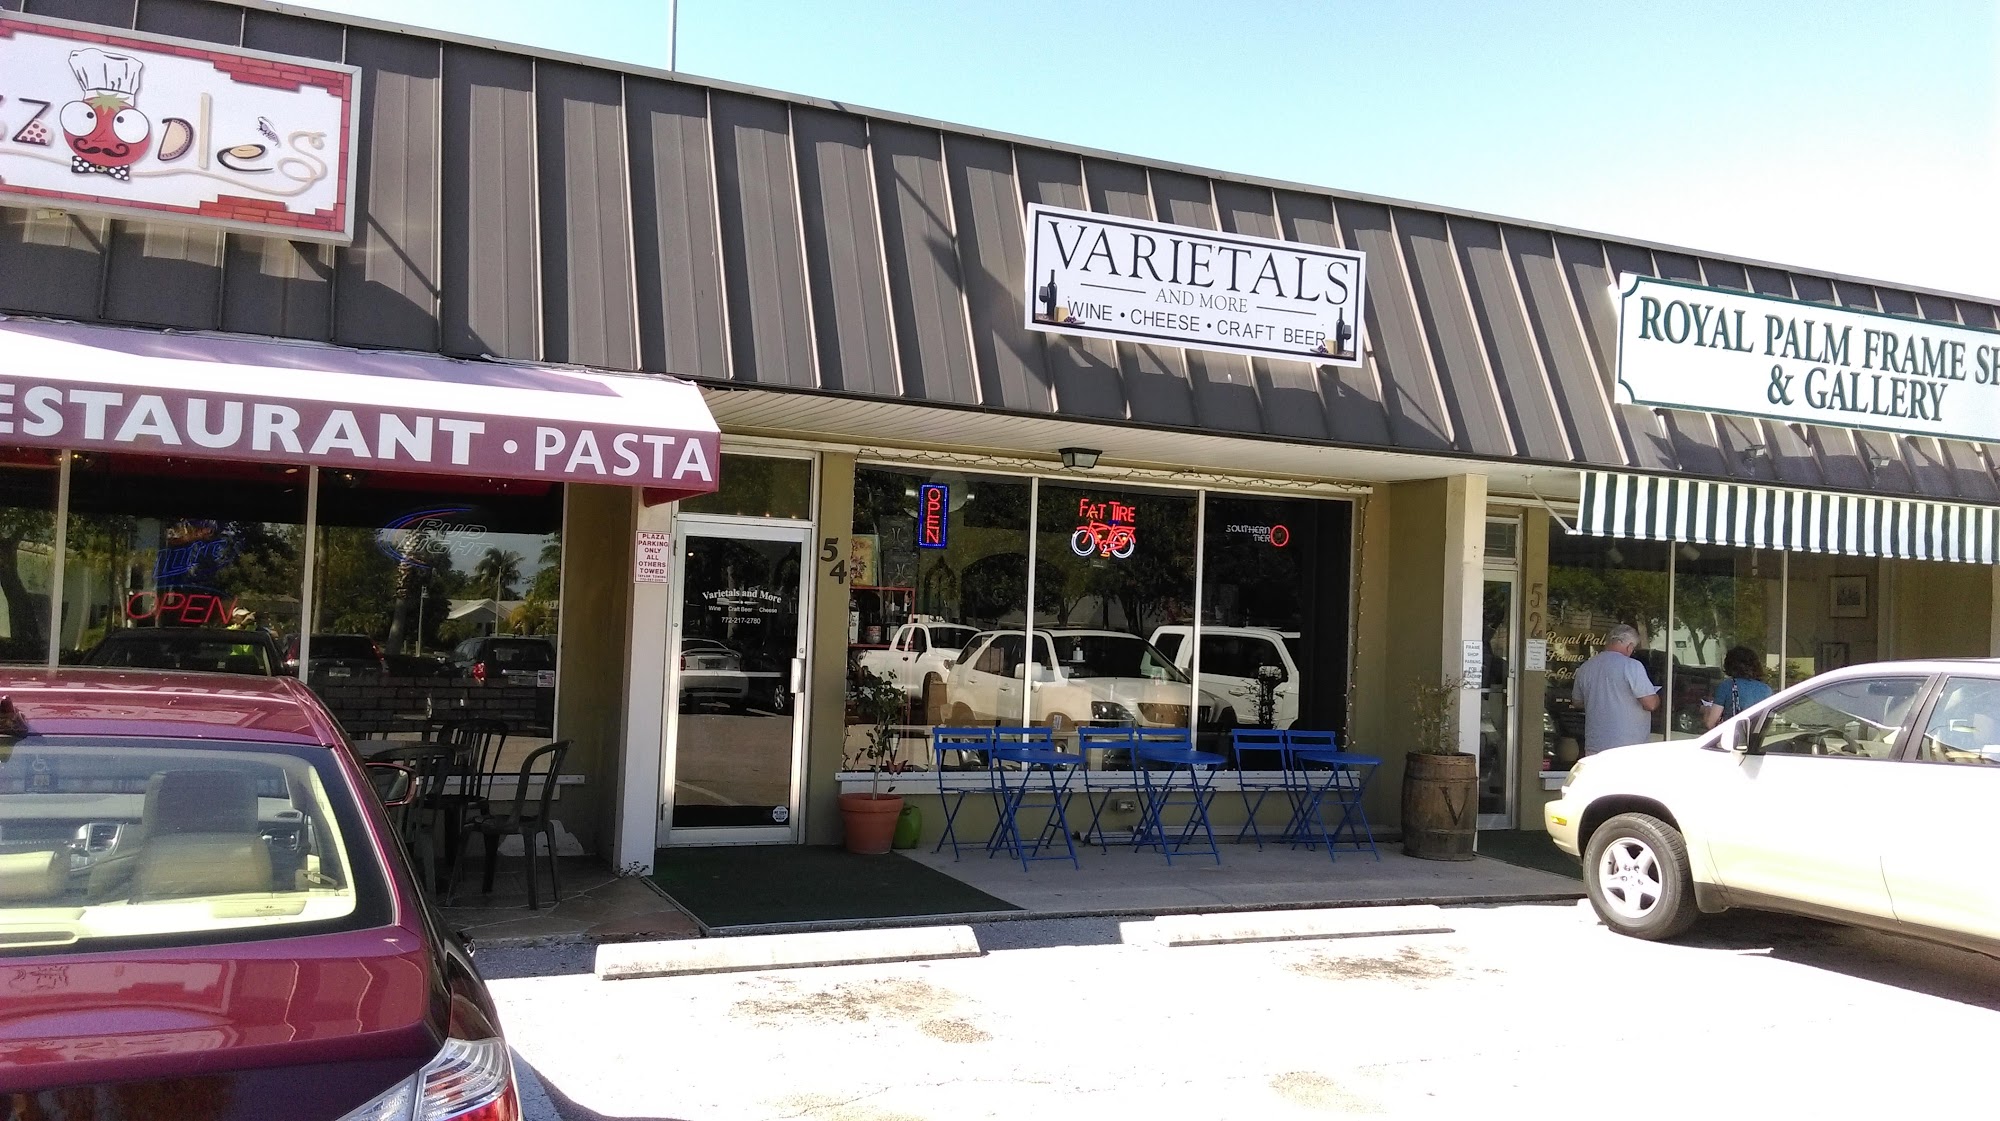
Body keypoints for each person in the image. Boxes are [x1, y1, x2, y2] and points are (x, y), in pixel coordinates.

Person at [1570, 624, 1661, 755]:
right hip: (1627, 746)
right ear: (1630, 647)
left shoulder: (1586, 667)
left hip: (1595, 744)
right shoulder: (1632, 666)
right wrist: (1656, 697)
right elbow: (1650, 704)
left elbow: (1577, 702)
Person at [1701, 645, 1773, 729]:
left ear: (1729, 665)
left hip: (1733, 735)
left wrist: (1706, 710)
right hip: (1757, 736)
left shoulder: (1727, 686)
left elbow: (1710, 723)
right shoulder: (1766, 690)